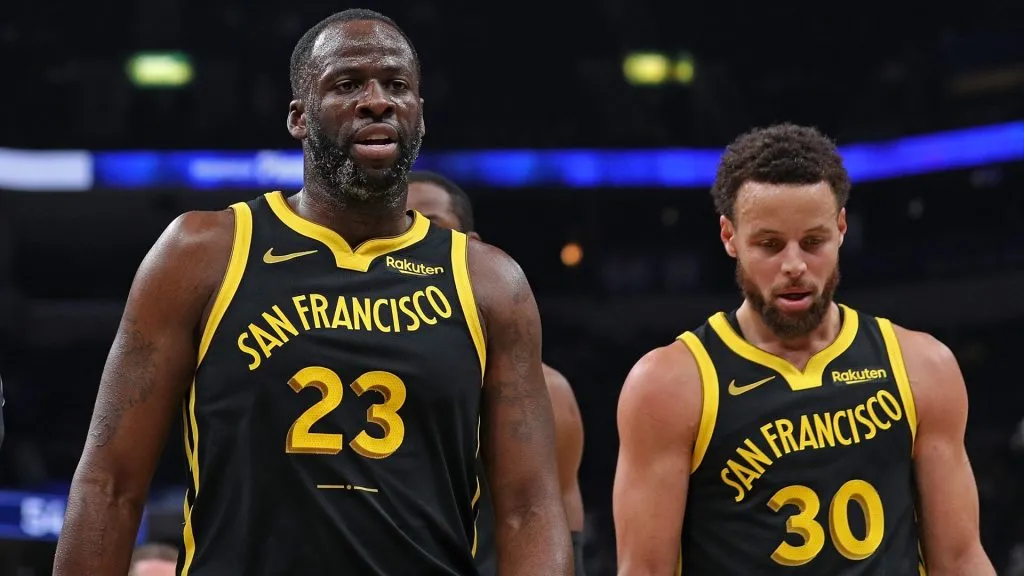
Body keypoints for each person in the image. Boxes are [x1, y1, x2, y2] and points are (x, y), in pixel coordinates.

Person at [53, 9, 571, 576]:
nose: (377, 101)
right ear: (299, 117)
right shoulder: (202, 252)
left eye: (396, 85)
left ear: (420, 115)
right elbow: (110, 483)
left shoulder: (490, 281)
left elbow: (528, 509)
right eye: (347, 85)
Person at [613, 123, 995, 575]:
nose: (794, 265)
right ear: (729, 236)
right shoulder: (669, 384)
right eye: (770, 244)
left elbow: (960, 558)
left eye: (813, 242)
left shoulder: (921, 365)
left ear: (841, 228)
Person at [407, 170, 587, 575]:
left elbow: (560, 540)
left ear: (471, 248)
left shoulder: (547, 392)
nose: (411, 240)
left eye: (429, 226)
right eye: (398, 227)